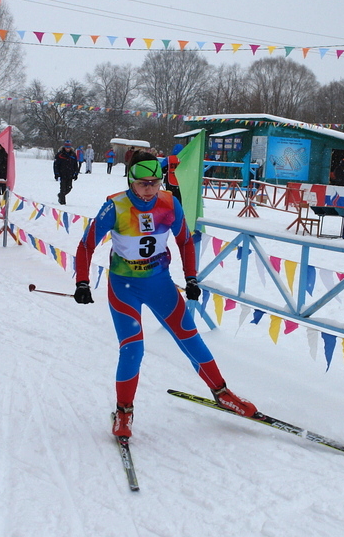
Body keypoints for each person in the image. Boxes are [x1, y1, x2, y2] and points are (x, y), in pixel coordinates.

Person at [73, 151, 258, 438]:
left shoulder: (169, 203)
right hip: (124, 288)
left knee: (189, 337)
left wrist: (191, 278)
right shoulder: (115, 206)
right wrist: (82, 282)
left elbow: (185, 241)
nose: (149, 190)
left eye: (155, 183)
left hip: (160, 283)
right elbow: (86, 246)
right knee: (133, 347)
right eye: (143, 183)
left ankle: (222, 393)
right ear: (131, 181)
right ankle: (124, 412)